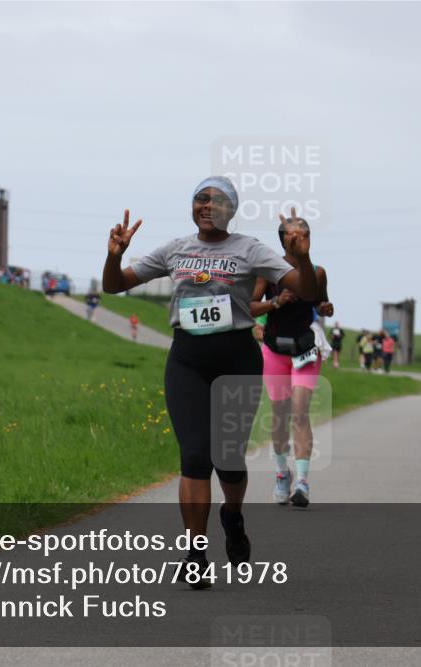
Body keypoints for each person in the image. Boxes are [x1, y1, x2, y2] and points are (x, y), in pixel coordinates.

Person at [101, 176, 318, 588]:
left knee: (228, 460)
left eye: (218, 201)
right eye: (201, 199)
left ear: (231, 211)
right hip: (187, 360)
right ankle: (195, 552)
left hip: (236, 359)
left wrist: (301, 259)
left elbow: (305, 291)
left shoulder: (249, 249)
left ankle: (232, 517)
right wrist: (115, 256)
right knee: (195, 457)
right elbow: (115, 285)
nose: (208, 205)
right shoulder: (175, 249)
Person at [251, 217, 333, 508]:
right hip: (275, 350)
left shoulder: (317, 272)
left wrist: (325, 307)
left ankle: (302, 482)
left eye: (305, 234)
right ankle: (281, 473)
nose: (299, 239)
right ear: (283, 239)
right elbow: (249, 307)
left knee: (300, 412)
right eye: (293, 235)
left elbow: (321, 302)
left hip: (305, 350)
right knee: (280, 415)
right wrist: (275, 303)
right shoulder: (268, 272)